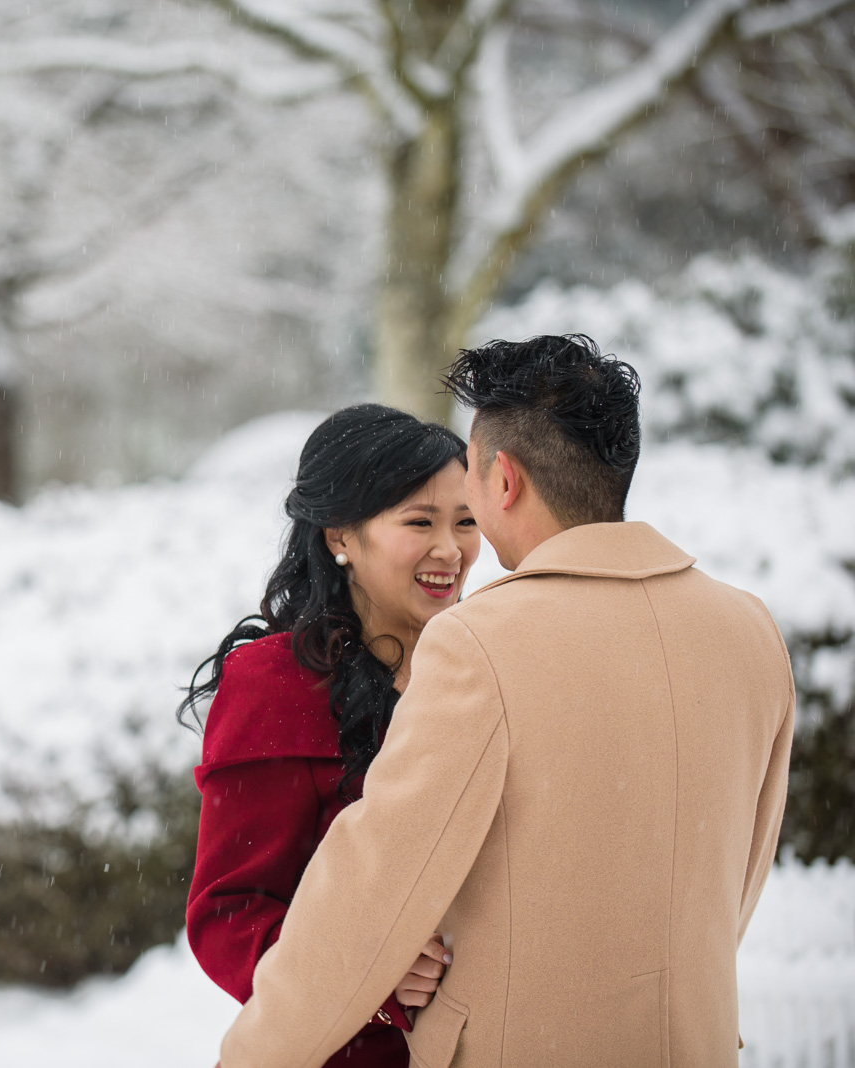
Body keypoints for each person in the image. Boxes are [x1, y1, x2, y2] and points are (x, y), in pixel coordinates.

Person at [218, 335, 795, 1068]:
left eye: (465, 505)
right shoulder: (749, 630)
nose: (456, 543)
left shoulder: (479, 642)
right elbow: (735, 885)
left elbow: (369, 896)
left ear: (504, 481)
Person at [183, 404, 478, 1068]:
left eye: (466, 521)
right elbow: (228, 914)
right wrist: (372, 978)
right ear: (341, 535)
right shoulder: (276, 684)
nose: (451, 549)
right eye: (419, 522)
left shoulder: (484, 666)